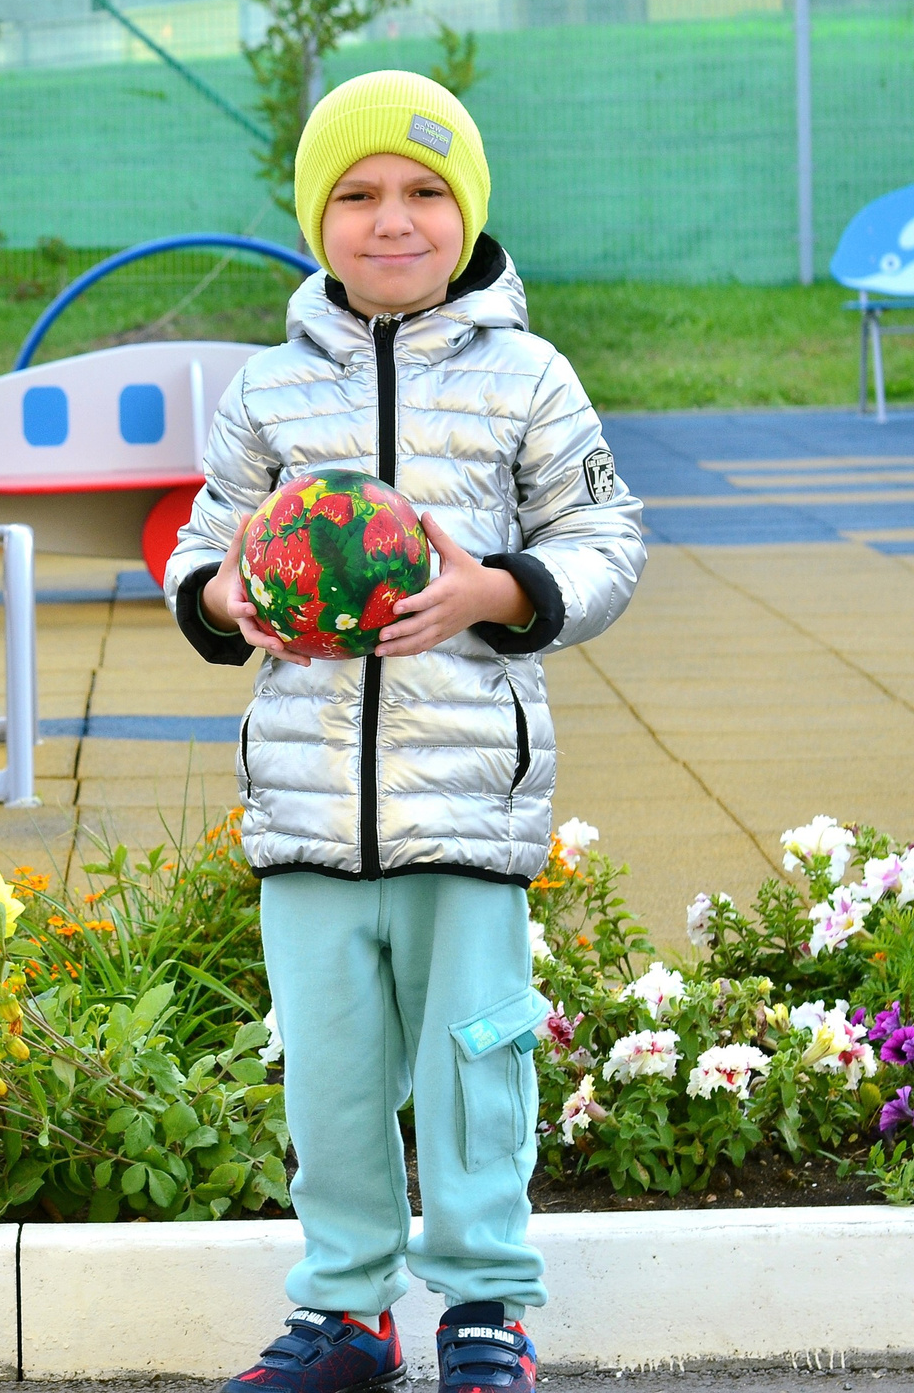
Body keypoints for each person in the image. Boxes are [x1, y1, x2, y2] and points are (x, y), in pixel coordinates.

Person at [164, 70, 646, 1393]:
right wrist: (228, 598)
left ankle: (487, 1306)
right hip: (310, 807)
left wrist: (495, 591)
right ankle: (347, 1313)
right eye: (358, 195)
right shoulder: (265, 393)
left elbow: (606, 541)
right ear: (318, 222)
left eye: (425, 192)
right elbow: (204, 548)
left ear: (469, 212)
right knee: (328, 1074)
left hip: (466, 805)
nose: (393, 220)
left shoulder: (531, 381)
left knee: (474, 1061)